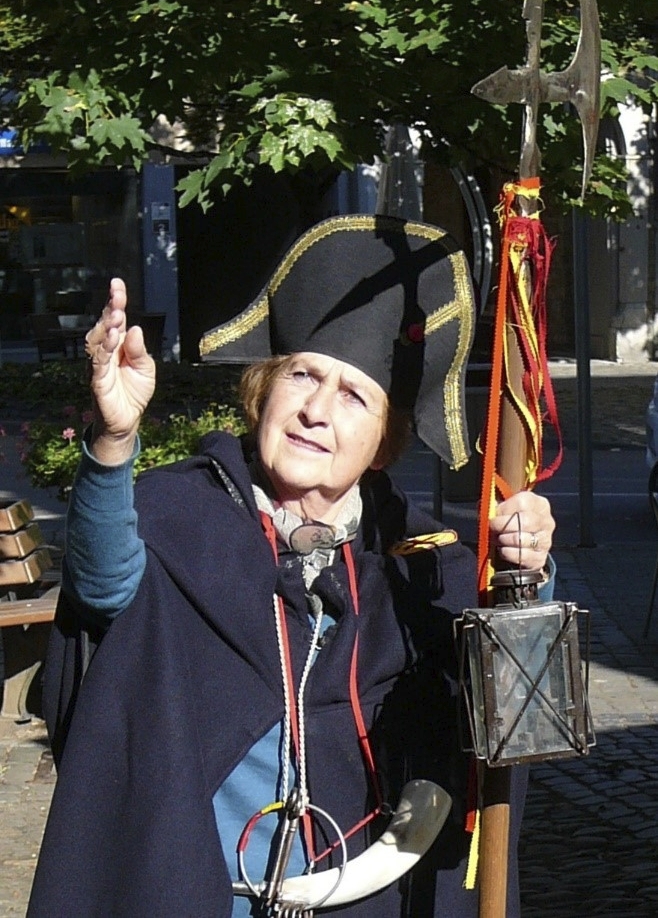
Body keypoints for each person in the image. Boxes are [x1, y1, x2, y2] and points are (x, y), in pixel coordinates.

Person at [28, 215, 555, 918]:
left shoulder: (422, 563)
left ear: (384, 441)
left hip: (368, 896)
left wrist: (524, 569)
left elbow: (514, 691)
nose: (315, 410)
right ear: (264, 391)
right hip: (197, 892)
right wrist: (114, 442)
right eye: (303, 375)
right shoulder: (178, 513)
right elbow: (102, 585)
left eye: (353, 396)